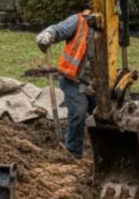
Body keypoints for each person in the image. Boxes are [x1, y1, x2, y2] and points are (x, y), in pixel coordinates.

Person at [35, 10, 97, 159]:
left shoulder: (111, 26)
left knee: (105, 114)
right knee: (78, 111)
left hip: (96, 83)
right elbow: (59, 29)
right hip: (73, 80)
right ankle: (73, 153)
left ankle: (104, 151)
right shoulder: (80, 21)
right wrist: (48, 34)